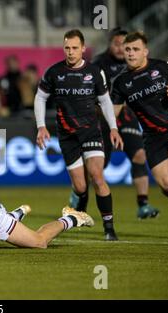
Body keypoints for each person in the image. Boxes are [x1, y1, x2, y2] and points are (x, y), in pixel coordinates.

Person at [34, 29, 123, 241]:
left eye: (75, 48)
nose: (71, 52)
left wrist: (113, 127)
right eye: (67, 48)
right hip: (67, 137)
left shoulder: (94, 72)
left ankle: (109, 228)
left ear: (83, 48)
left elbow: (105, 101)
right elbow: (40, 98)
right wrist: (41, 126)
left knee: (97, 177)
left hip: (91, 132)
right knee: (81, 186)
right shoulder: (54, 72)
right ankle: (80, 213)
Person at [69, 28, 160, 219]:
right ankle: (80, 193)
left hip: (127, 116)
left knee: (139, 155)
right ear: (110, 44)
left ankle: (143, 204)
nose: (121, 49)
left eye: (124, 45)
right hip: (102, 119)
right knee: (98, 168)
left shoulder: (135, 64)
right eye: (116, 44)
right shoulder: (99, 64)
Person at [111, 31, 168, 220]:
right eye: (128, 49)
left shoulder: (163, 67)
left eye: (135, 49)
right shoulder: (121, 83)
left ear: (145, 51)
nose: (131, 53)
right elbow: (113, 112)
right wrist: (111, 128)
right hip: (152, 137)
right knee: (166, 186)